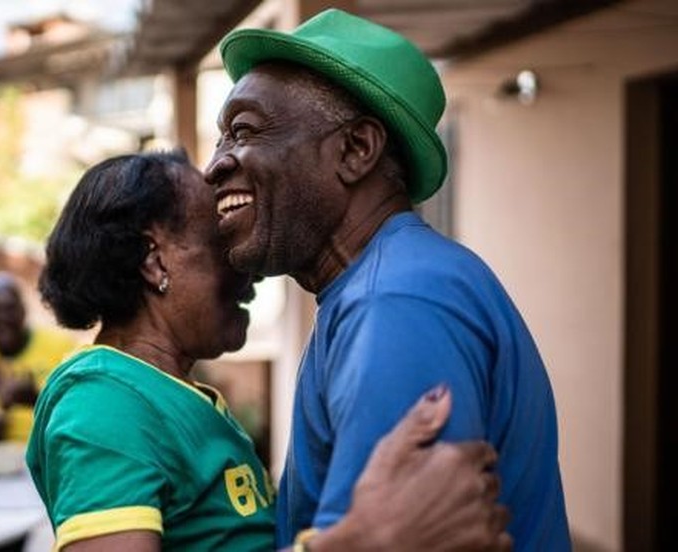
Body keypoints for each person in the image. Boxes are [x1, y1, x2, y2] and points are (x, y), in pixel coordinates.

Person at [204, 9, 569, 550]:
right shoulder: (384, 285)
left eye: (243, 131)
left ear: (356, 150)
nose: (214, 166)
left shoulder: (395, 303)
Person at [28, 151, 510, 551]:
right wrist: (360, 542)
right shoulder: (102, 401)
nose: (250, 267)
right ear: (155, 261)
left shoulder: (163, 395)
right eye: (223, 242)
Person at [0, 271, 76, 446]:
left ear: (23, 311)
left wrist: (35, 398)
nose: (1, 318)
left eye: (9, 309)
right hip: (4, 457)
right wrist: (2, 404)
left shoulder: (61, 347)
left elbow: (79, 413)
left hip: (56, 449)